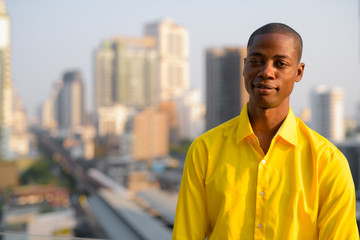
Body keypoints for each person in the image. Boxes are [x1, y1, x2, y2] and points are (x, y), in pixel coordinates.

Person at [172, 23, 359, 239]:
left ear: (298, 72)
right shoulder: (205, 150)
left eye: (280, 63)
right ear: (244, 67)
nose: (267, 72)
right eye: (256, 61)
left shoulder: (328, 162)